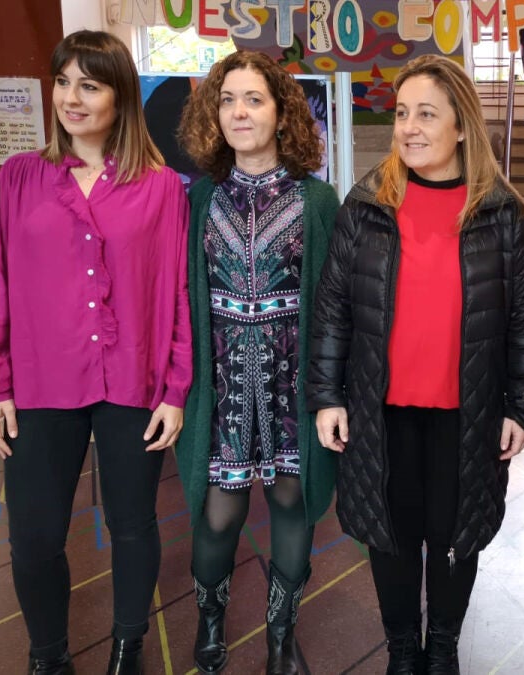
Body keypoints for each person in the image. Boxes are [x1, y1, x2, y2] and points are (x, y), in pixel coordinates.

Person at [307, 54, 524, 674]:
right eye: (402, 113)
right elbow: (333, 308)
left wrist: (521, 407)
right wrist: (327, 396)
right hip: (380, 410)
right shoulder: (367, 205)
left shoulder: (503, 213)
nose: (409, 127)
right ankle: (403, 651)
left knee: (456, 534)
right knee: (390, 533)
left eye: (427, 114)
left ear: (461, 126)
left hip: (469, 412)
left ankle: (443, 650)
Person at [0, 30, 191, 675]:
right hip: (42, 380)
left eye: (89, 85)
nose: (71, 98)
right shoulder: (20, 178)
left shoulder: (161, 186)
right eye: (64, 82)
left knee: (133, 525)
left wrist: (175, 388)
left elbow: (176, 291)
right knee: (35, 535)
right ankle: (48, 657)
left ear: (119, 97)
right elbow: (1, 283)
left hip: (132, 378)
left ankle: (128, 649)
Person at [175, 50, 339, 675]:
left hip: (293, 386)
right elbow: (178, 297)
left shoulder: (316, 199)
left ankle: (280, 636)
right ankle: (211, 622)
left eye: (254, 99)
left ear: (282, 113)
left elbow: (335, 305)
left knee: (292, 499)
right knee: (219, 511)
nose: (239, 112)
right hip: (220, 386)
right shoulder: (199, 198)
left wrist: (330, 393)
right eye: (227, 100)